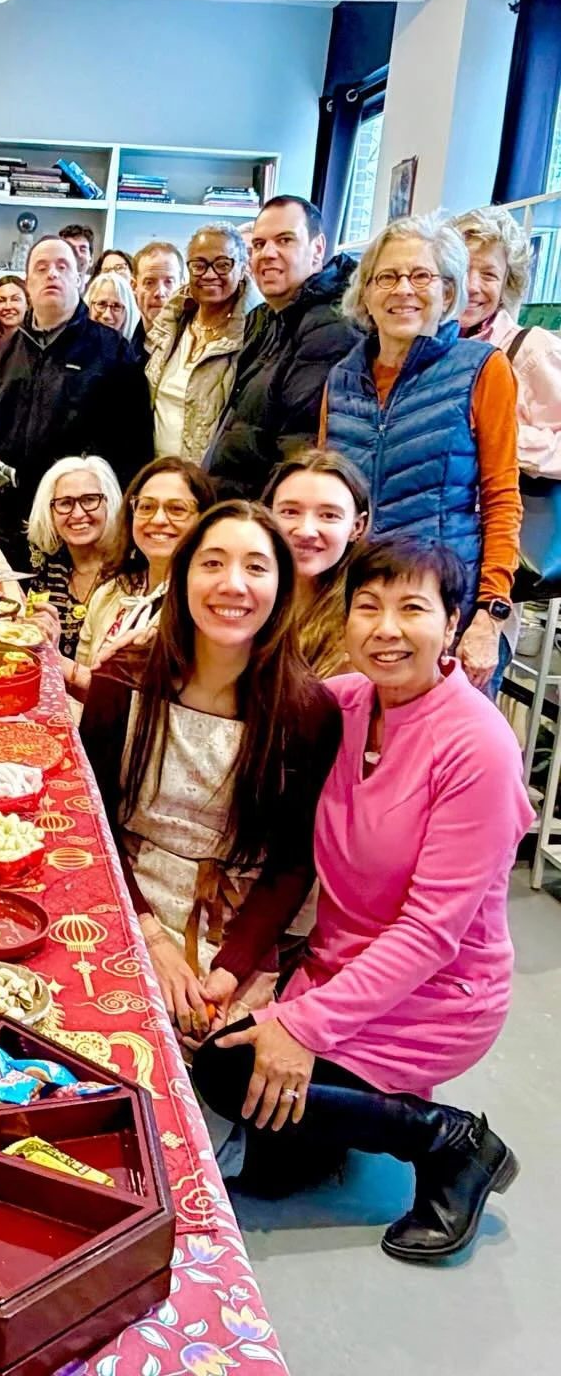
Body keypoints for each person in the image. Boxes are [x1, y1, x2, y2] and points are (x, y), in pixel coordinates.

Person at [192, 538, 529, 1263]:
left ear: (450, 622)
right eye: (367, 607)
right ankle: (346, 1123)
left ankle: (449, 1139)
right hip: (337, 968)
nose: (385, 628)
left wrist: (305, 1027)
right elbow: (215, 692)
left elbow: (431, 935)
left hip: (439, 994)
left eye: (412, 608)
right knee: (273, 1166)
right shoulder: (341, 706)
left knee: (226, 1066)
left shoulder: (481, 749)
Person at [83, 502, 340, 1039]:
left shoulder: (307, 710)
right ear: (182, 577)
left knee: (221, 1053)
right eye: (213, 563)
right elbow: (93, 826)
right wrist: (148, 939)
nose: (233, 585)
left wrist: (230, 968)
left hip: (236, 918)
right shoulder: (124, 681)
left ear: (282, 586)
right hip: (123, 895)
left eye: (255, 567)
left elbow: (293, 865)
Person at [321, 212, 522, 691]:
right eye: (386, 277)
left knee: (436, 757)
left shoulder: (483, 370)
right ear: (366, 293)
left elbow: (502, 500)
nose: (403, 290)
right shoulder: (341, 379)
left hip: (442, 608)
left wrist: (489, 617)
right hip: (356, 604)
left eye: (421, 276)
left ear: (448, 293)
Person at [0, 235, 152, 567]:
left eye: (62, 267)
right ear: (28, 283)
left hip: (81, 537)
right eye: (41, 268)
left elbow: (135, 447)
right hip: (6, 529)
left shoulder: (113, 352)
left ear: (79, 279)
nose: (52, 275)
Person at [207, 196, 359, 499]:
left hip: (264, 519)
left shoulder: (332, 327)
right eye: (260, 244)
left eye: (285, 240)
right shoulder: (265, 318)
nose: (268, 254)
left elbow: (298, 449)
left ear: (317, 249)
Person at [69, 457, 215, 698]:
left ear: (204, 519)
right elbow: (81, 689)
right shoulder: (111, 592)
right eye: (146, 507)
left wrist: (59, 664)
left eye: (177, 509)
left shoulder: (205, 607)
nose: (158, 520)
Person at [452, 205, 561, 476]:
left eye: (489, 274)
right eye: (461, 270)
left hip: (516, 511)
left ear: (506, 285)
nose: (471, 286)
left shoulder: (534, 350)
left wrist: (500, 437)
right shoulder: (427, 346)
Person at [146, 223, 262, 462]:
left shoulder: (256, 334)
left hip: (213, 483)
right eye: (199, 265)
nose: (209, 275)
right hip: (158, 477)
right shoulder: (171, 325)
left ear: (242, 268)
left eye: (222, 265)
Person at [264, 448, 370, 677]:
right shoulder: (242, 597)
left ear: (357, 527)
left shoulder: (365, 624)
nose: (306, 531)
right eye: (290, 512)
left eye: (329, 515)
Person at [26, 455, 124, 666]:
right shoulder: (45, 567)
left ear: (109, 503)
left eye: (89, 500)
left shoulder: (130, 575)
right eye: (65, 503)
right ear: (50, 512)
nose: (78, 513)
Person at [132, 241, 185, 360]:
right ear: (134, 286)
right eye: (149, 282)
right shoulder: (120, 350)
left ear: (182, 287)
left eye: (169, 282)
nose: (159, 293)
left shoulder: (195, 348)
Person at [84, 271, 141, 341]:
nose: (107, 315)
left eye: (116, 306)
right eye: (101, 304)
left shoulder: (136, 350)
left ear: (128, 312)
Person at [0, 274, 28, 340]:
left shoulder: (41, 344)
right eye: (1, 301)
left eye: (15, 299)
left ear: (27, 304)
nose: (8, 306)